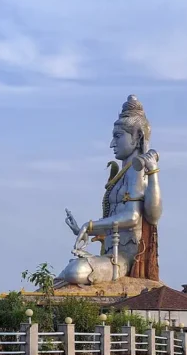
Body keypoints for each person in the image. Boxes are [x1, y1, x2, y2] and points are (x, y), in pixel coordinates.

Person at [59, 94, 162, 285]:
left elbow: (133, 218)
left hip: (125, 257)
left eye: (118, 136)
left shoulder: (137, 171)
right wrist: (81, 230)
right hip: (110, 252)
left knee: (76, 271)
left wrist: (89, 226)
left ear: (138, 136)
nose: (112, 144)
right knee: (66, 273)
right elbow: (113, 219)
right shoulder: (123, 173)